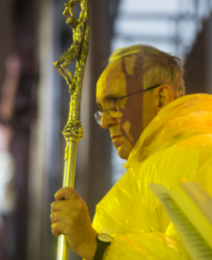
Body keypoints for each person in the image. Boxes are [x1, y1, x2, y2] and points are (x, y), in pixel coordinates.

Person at [50, 45, 212, 260]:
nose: (105, 122)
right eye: (102, 110)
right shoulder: (153, 168)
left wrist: (96, 245)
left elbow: (199, 252)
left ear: (161, 99)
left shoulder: (197, 155)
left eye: (114, 103)